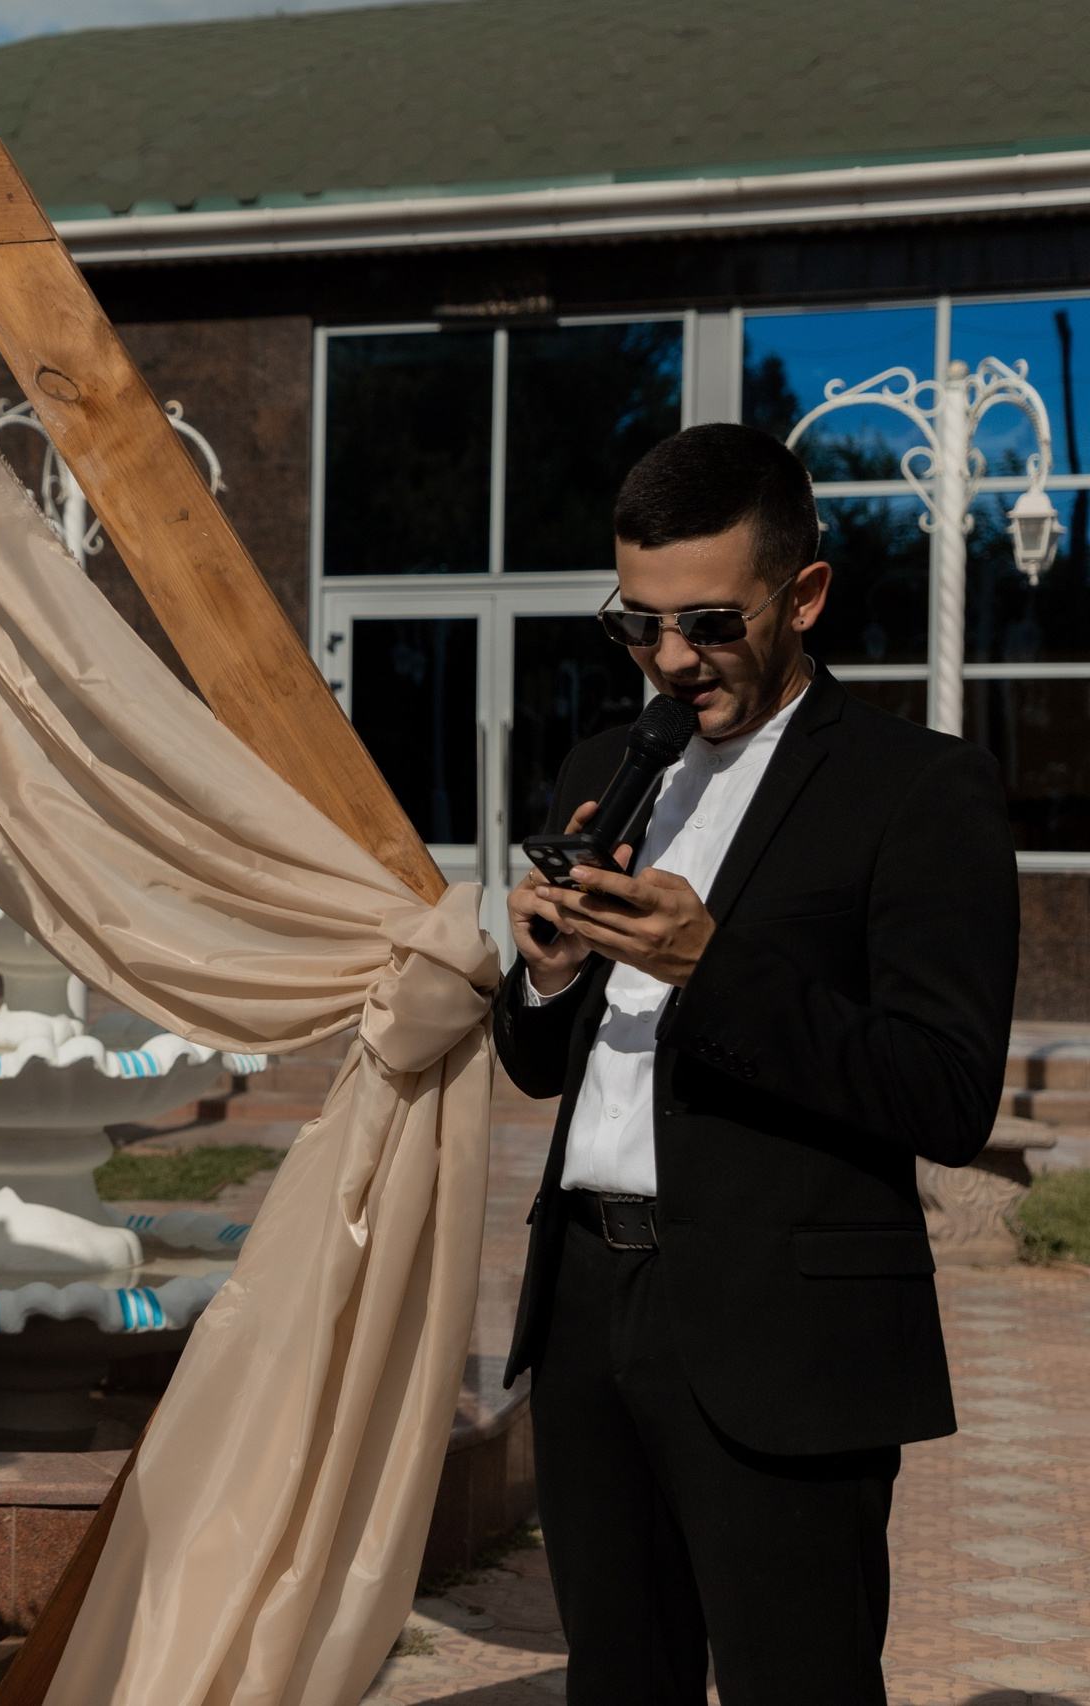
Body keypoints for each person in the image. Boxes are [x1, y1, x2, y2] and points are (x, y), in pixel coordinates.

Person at [497, 423, 1018, 1704]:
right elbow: (539, 1065)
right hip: (583, 1312)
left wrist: (709, 964)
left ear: (805, 593)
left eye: (710, 623)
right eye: (638, 624)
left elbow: (946, 1092)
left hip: (786, 1334)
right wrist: (548, 972)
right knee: (618, 1681)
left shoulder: (919, 790)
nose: (671, 659)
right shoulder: (601, 770)